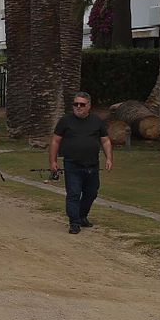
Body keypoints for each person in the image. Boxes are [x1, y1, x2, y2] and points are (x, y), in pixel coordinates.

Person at [49, 91, 114, 235]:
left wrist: (109, 158)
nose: (78, 107)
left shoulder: (97, 121)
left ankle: (81, 216)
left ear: (89, 106)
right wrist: (53, 161)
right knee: (73, 193)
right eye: (76, 104)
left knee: (91, 193)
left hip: (92, 165)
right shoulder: (65, 121)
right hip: (72, 164)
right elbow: (55, 141)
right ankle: (74, 223)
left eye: (82, 104)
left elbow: (105, 141)